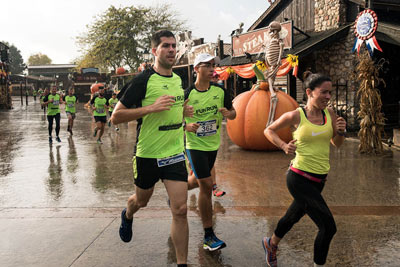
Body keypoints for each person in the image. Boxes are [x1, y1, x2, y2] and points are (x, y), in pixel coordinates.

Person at [111, 30, 189, 267]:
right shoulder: (142, 81)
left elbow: (174, 108)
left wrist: (184, 114)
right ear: (154, 51)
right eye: (166, 46)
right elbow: (116, 117)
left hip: (174, 153)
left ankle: (182, 263)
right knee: (141, 200)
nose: (172, 50)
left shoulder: (178, 80)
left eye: (174, 46)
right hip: (147, 155)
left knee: (181, 209)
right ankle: (128, 213)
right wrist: (150, 108)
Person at [262, 71, 346, 267]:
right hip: (298, 178)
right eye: (323, 92)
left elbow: (337, 144)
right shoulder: (296, 115)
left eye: (329, 93)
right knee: (328, 227)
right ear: (309, 92)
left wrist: (340, 131)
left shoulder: (330, 114)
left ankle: (271, 243)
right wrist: (283, 146)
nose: (328, 97)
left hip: (319, 180)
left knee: (292, 216)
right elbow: (268, 130)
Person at [184, 53, 236, 251]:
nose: (211, 68)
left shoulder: (220, 91)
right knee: (206, 185)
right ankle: (209, 235)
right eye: (207, 65)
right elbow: (172, 120)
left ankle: (176, 191)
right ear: (196, 69)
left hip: (212, 145)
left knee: (197, 181)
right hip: (194, 145)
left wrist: (228, 114)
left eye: (213, 65)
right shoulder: (187, 94)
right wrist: (185, 126)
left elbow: (234, 113)